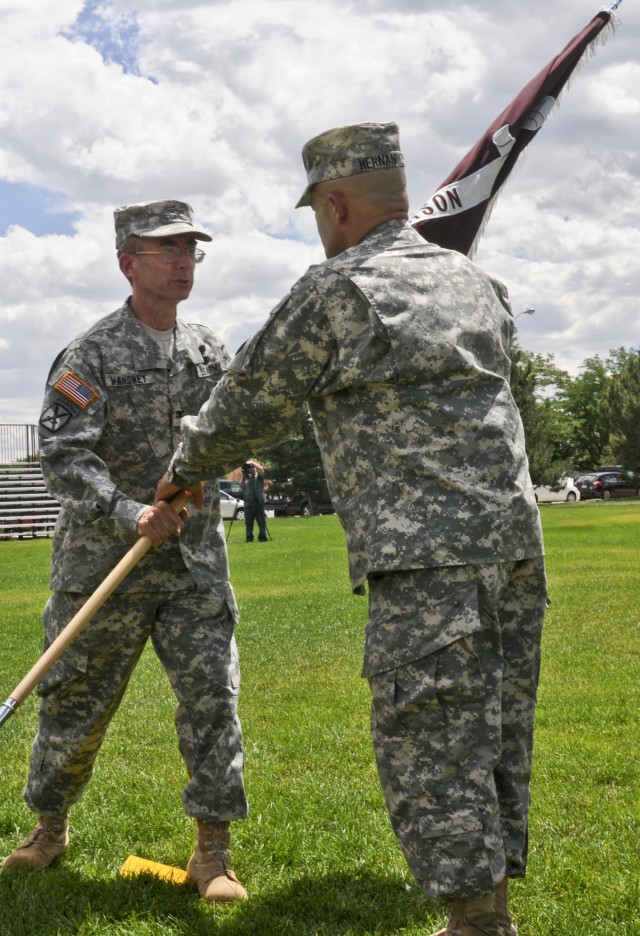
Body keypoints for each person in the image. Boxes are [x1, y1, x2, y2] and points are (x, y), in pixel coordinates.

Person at [155, 124, 547, 936]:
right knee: (497, 729)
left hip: (424, 554)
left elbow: (249, 398)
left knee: (433, 743)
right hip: (513, 541)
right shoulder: (475, 282)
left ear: (334, 204)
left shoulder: (339, 289)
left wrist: (184, 468)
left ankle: (478, 924)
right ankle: (489, 907)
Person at [2, 200, 248, 903]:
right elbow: (64, 454)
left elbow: (232, 432)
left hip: (193, 567)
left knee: (212, 697)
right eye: (166, 249)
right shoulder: (93, 353)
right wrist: (128, 509)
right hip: (102, 565)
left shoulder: (209, 350)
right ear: (127, 262)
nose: (182, 261)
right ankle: (50, 828)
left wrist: (215, 470)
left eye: (190, 249)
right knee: (75, 704)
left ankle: (213, 851)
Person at [240, 460, 269, 542]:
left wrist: (252, 463)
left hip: (259, 503)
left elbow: (262, 470)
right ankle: (249, 539)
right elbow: (243, 490)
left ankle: (263, 538)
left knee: (261, 522)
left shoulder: (259, 477)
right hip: (248, 504)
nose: (250, 469)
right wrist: (242, 483)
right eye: (249, 468)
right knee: (248, 523)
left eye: (252, 468)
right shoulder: (245, 478)